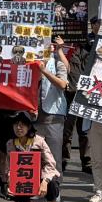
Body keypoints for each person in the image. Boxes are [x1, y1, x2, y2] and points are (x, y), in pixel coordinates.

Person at [0, 111, 61, 202]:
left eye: (22, 124)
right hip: (24, 176)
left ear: (29, 127)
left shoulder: (39, 141)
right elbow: (9, 166)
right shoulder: (10, 143)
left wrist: (45, 181)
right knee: (13, 184)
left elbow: (51, 163)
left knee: (52, 183)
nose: (18, 128)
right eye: (16, 124)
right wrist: (9, 178)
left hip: (41, 175)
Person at [36, 32, 69, 160]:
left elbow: (62, 84)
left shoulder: (57, 62)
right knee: (34, 158)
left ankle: (56, 175)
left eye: (47, 43)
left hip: (53, 116)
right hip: (32, 117)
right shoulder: (29, 63)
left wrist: (44, 71)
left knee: (53, 158)